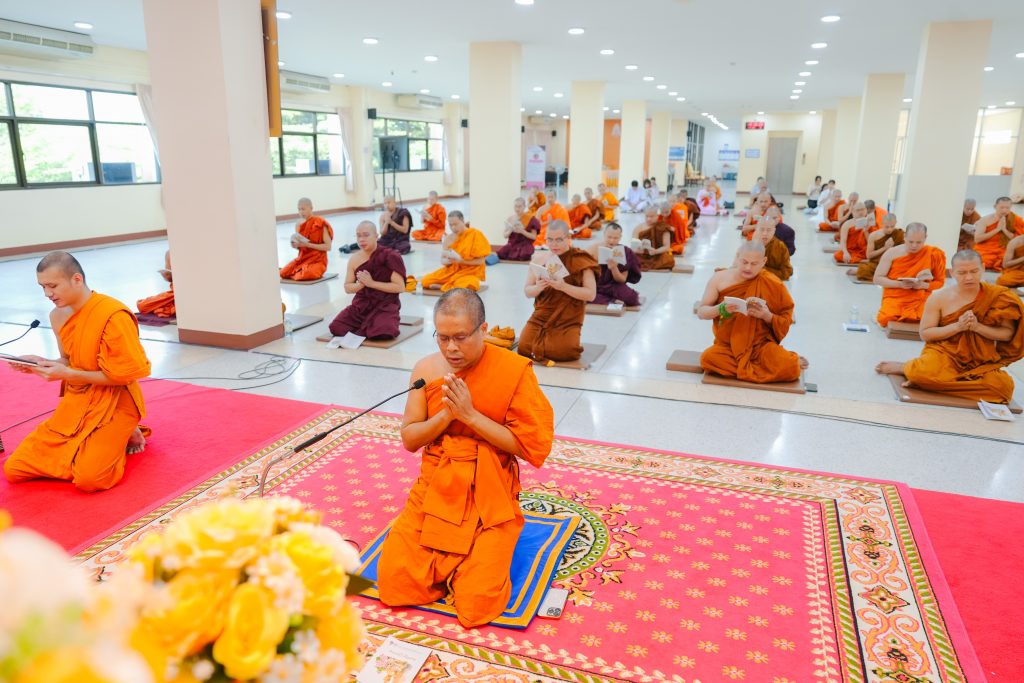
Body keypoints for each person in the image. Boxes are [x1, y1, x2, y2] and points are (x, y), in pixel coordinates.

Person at [376, 288, 554, 629]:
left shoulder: (512, 370)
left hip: (489, 491)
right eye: (442, 338)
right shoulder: (426, 368)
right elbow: (410, 439)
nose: (451, 348)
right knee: (394, 583)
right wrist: (446, 417)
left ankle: (473, 560)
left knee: (477, 604)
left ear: (483, 330)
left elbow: (530, 447)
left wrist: (471, 416)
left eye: (460, 337)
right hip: (438, 486)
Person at [4, 252, 151, 492]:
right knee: (15, 468)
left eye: (53, 286)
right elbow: (68, 360)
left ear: (77, 279)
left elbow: (124, 376)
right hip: (79, 399)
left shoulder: (112, 314)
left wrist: (67, 375)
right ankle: (101, 444)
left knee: (90, 479)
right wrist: (38, 363)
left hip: (116, 399)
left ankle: (125, 431)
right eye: (42, 287)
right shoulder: (58, 315)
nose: (47, 294)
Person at [876, 250, 1023, 403]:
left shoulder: (998, 297)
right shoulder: (938, 298)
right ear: (952, 272)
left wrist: (978, 327)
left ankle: (930, 383)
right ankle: (906, 369)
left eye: (974, 271)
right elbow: (926, 334)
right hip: (945, 354)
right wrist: (958, 327)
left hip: (980, 360)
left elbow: (1007, 334)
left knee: (1003, 388)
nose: (969, 277)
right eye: (962, 272)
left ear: (983, 268)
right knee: (922, 373)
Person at [697, 241, 807, 383]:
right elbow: (701, 312)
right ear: (737, 256)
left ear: (763, 262)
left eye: (754, 264)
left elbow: (786, 319)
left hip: (760, 347)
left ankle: (753, 366)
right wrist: (720, 308)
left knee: (790, 367)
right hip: (728, 347)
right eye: (744, 262)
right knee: (708, 359)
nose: (748, 267)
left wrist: (767, 316)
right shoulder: (719, 278)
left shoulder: (773, 283)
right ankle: (758, 368)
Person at [519, 221, 599, 362]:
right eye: (550, 239)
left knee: (565, 351)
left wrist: (563, 287)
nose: (554, 244)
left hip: (568, 316)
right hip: (542, 314)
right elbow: (527, 291)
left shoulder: (580, 259)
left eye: (559, 240)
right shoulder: (539, 259)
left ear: (568, 237)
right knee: (524, 347)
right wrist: (538, 287)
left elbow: (591, 294)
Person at [328, 221, 406, 339]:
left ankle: (376, 325)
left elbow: (400, 287)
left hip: (385, 306)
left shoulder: (389, 256)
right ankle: (368, 326)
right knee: (336, 327)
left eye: (366, 235)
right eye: (358, 236)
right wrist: (360, 285)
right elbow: (347, 287)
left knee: (383, 333)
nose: (361, 239)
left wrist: (372, 283)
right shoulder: (354, 259)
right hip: (361, 306)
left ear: (376, 236)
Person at [873, 223, 946, 327]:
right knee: (886, 318)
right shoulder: (892, 253)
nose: (914, 246)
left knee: (929, 321)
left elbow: (940, 282)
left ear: (925, 238)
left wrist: (923, 285)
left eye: (919, 242)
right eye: (910, 241)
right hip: (896, 295)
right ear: (904, 236)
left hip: (920, 296)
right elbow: (877, 279)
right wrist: (899, 284)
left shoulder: (933, 254)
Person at [419, 211, 490, 292]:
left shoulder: (475, 234)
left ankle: (442, 286)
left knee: (470, 284)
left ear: (463, 221)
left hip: (469, 272)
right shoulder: (448, 239)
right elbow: (443, 261)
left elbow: (480, 261)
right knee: (425, 281)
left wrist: (461, 261)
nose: (453, 228)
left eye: (456, 224)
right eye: (450, 225)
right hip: (452, 271)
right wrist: (448, 261)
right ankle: (449, 285)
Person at [280, 197, 333, 281]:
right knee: (283, 273)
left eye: (303, 209)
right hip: (302, 259)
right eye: (299, 209)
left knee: (305, 275)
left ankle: (299, 272)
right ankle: (298, 270)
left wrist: (308, 244)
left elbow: (328, 247)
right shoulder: (298, 224)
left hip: (318, 260)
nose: (301, 212)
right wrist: (295, 245)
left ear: (311, 208)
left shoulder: (319, 222)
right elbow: (300, 246)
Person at [589, 222, 641, 306]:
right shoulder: (593, 249)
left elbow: (622, 279)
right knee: (581, 294)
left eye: (615, 238)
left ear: (620, 237)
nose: (612, 241)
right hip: (596, 285)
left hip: (613, 286)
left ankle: (603, 298)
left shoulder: (625, 252)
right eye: (609, 237)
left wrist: (614, 268)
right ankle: (610, 300)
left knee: (633, 298)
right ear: (604, 234)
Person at [971, 197, 1024, 271]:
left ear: (1011, 207)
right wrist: (997, 229)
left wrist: (1004, 230)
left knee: (1014, 260)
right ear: (995, 207)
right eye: (1001, 207)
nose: (1004, 210)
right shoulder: (985, 220)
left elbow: (1019, 240)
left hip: (1006, 249)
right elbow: (977, 239)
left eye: (1007, 208)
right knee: (981, 261)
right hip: (986, 249)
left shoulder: (1015, 219)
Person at [855, 214, 903, 282]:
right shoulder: (874, 235)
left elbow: (903, 251)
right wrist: (885, 248)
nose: (890, 229)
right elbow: (869, 255)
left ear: (896, 223)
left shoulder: (899, 234)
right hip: (877, 264)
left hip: (892, 263)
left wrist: (892, 250)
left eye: (892, 226)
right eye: (887, 227)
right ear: (882, 223)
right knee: (863, 271)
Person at [496, 197, 539, 261]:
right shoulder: (510, 219)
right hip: (512, 244)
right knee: (501, 253)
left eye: (520, 206)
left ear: (524, 206)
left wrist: (522, 231)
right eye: (516, 206)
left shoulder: (531, 219)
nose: (517, 209)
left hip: (525, 244)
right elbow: (505, 235)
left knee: (523, 255)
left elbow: (534, 237)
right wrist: (511, 229)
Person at [635, 206, 675, 271]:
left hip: (658, 255)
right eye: (647, 216)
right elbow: (634, 243)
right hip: (642, 255)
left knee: (668, 261)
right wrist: (637, 249)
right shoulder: (638, 228)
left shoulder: (663, 227)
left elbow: (667, 247)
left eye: (651, 216)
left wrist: (656, 251)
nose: (649, 219)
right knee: (630, 258)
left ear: (657, 216)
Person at [136, 251, 175, 318]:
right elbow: (170, 278)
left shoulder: (170, 252)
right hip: (175, 294)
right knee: (143, 305)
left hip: (182, 293)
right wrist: (167, 275)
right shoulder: (170, 252)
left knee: (143, 305)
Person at [756, 217, 793, 281]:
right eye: (762, 229)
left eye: (769, 230)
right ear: (757, 230)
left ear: (774, 231)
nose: (765, 233)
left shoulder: (780, 247)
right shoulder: (751, 245)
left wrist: (762, 270)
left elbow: (786, 273)